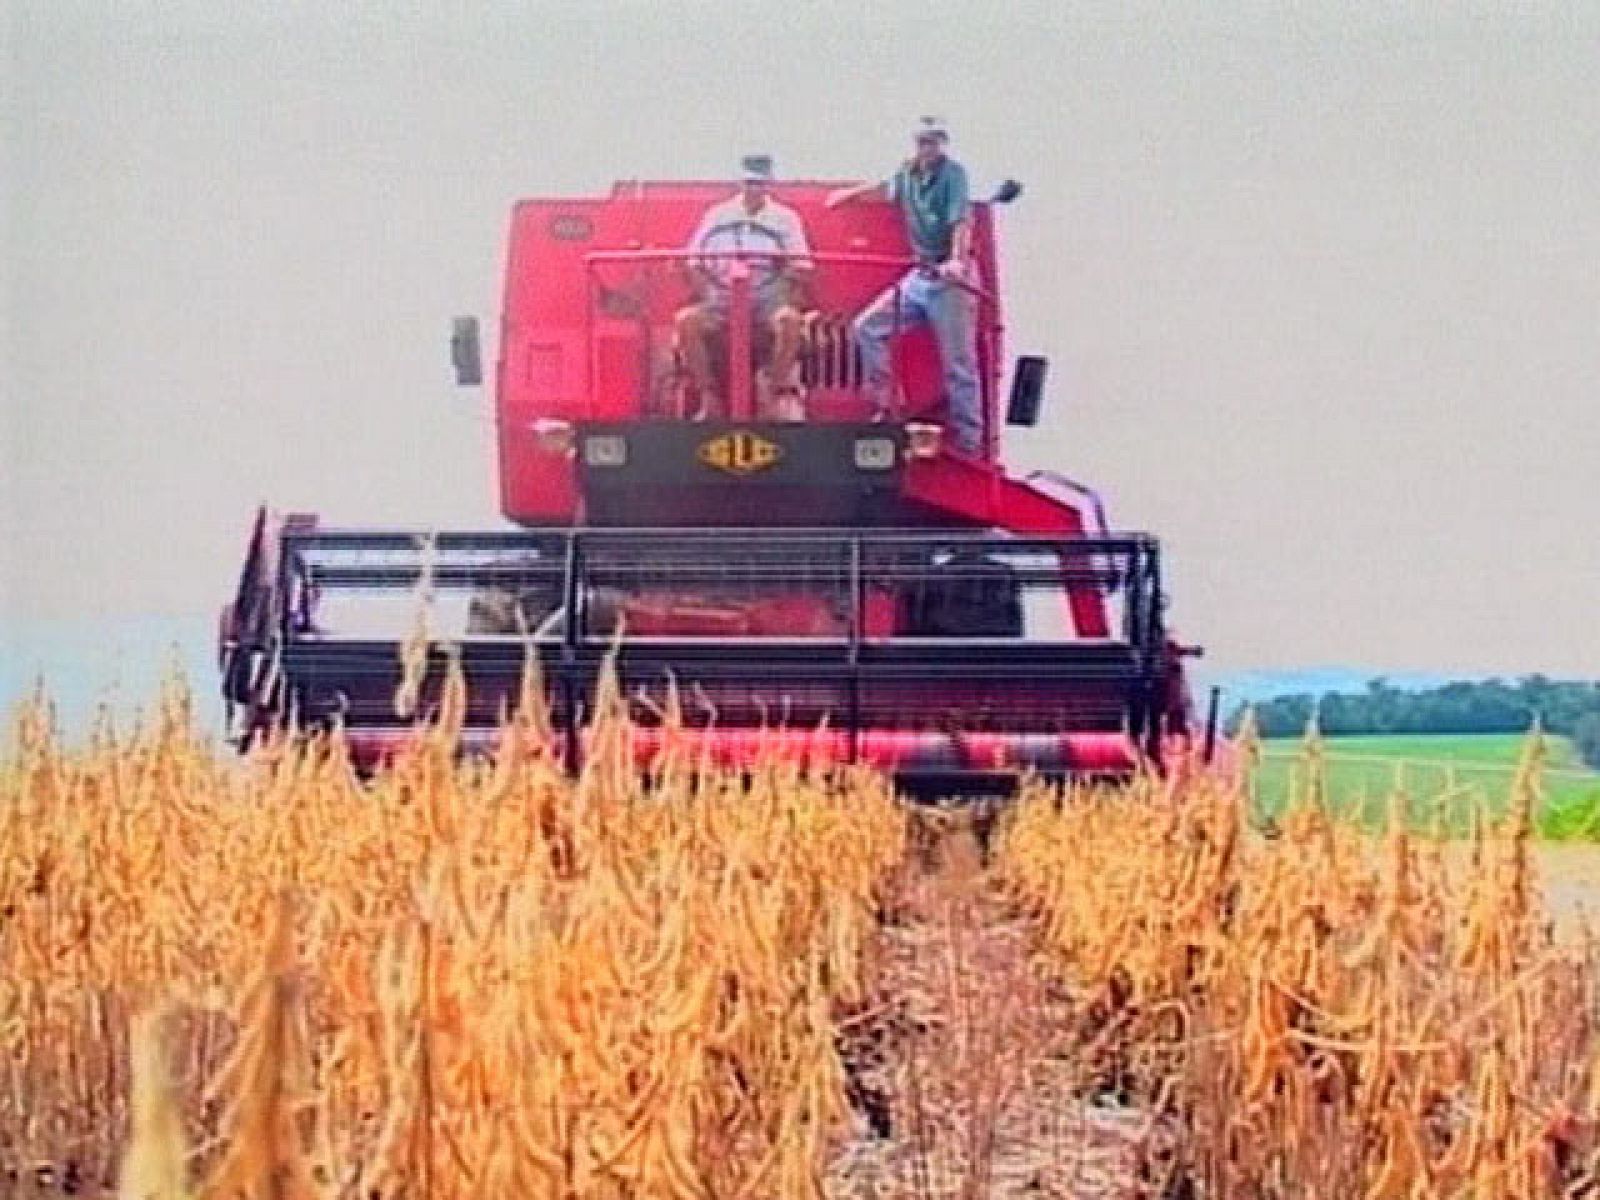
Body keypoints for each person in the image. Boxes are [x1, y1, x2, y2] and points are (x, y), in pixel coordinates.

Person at [826, 117, 981, 455]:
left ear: (943, 143)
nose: (929, 147)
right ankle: (887, 405)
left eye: (935, 141)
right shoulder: (907, 173)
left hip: (949, 277)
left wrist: (957, 260)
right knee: (868, 326)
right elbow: (885, 187)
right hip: (920, 275)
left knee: (958, 362)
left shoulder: (954, 175)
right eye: (924, 141)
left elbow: (961, 221)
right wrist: (847, 196)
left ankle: (970, 442)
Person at [675, 155, 813, 421]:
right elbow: (693, 262)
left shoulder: (786, 219)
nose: (754, 189)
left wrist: (779, 293)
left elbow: (801, 267)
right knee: (686, 322)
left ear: (769, 184)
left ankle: (770, 394)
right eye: (749, 182)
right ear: (739, 182)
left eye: (760, 183)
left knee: (790, 322)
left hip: (767, 299)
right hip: (722, 297)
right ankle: (709, 397)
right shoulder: (716, 215)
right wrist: (710, 293)